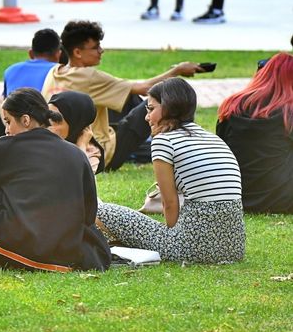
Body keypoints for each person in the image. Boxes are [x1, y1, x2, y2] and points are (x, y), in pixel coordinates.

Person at [0, 88, 111, 271]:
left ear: (25, 120)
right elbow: (89, 212)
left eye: (8, 122)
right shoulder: (77, 154)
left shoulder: (9, 147)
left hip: (15, 247)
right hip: (65, 252)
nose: (6, 130)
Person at [96, 78, 245, 263]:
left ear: (168, 107)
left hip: (191, 248)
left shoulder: (164, 141)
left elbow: (170, 203)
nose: (146, 117)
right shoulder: (212, 139)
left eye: (150, 109)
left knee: (102, 211)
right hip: (233, 248)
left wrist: (170, 239)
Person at [41, 20, 202, 171]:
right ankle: (180, 145)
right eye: (95, 47)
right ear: (77, 52)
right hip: (100, 153)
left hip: (61, 147)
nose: (101, 51)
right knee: (156, 101)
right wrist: (177, 71)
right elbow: (144, 87)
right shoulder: (88, 76)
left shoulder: (54, 72)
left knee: (124, 95)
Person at [216, 52, 293, 213]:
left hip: (236, 196)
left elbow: (221, 149)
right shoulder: (288, 112)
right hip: (283, 199)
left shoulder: (232, 105)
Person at [0, 28, 61, 138]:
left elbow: (4, 104)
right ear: (58, 54)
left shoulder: (11, 70)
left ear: (30, 53)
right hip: (45, 129)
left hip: (15, 126)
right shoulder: (60, 72)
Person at [49, 91, 105, 174]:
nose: (47, 123)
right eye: (46, 116)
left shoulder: (90, 153)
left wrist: (81, 146)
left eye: (55, 120)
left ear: (76, 126)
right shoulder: (36, 136)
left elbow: (81, 178)